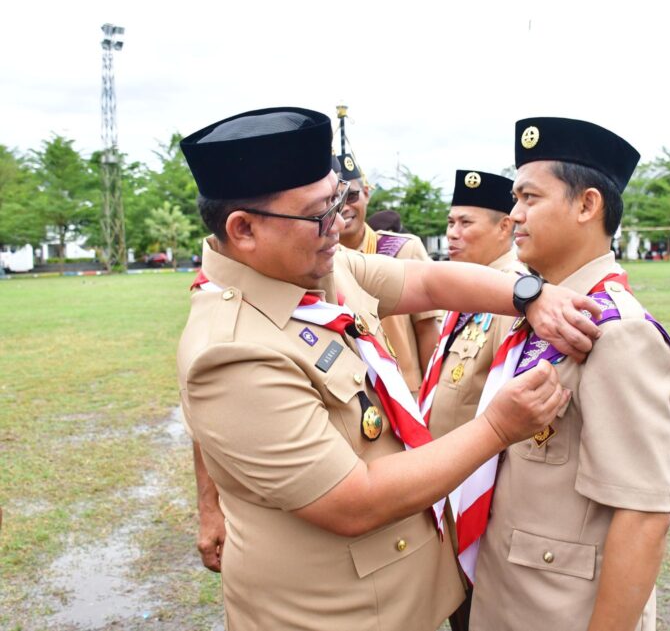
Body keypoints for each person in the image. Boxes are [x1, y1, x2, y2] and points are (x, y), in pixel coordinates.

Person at [176, 106, 603, 631]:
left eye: (338, 199)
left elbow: (424, 283)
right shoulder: (231, 353)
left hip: (403, 592)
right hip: (338, 614)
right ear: (242, 230)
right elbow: (354, 502)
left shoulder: (308, 267)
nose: (339, 224)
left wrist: (528, 293)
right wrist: (496, 426)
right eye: (318, 214)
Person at [468, 117, 670, 631]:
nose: (515, 215)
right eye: (515, 199)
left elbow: (642, 516)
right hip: (509, 595)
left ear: (587, 205)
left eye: (529, 198)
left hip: (560, 612)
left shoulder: (617, 333)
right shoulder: (545, 309)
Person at [418, 169, 525, 631]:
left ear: (505, 228)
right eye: (449, 223)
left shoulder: (517, 296)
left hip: (478, 502)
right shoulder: (466, 290)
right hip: (446, 489)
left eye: (466, 224)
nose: (452, 235)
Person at [337, 153, 439, 395]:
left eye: (351, 196)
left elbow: (426, 329)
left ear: (367, 194)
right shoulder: (319, 262)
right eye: (335, 198)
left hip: (406, 391)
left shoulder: (402, 249)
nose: (344, 206)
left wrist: (428, 398)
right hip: (352, 396)